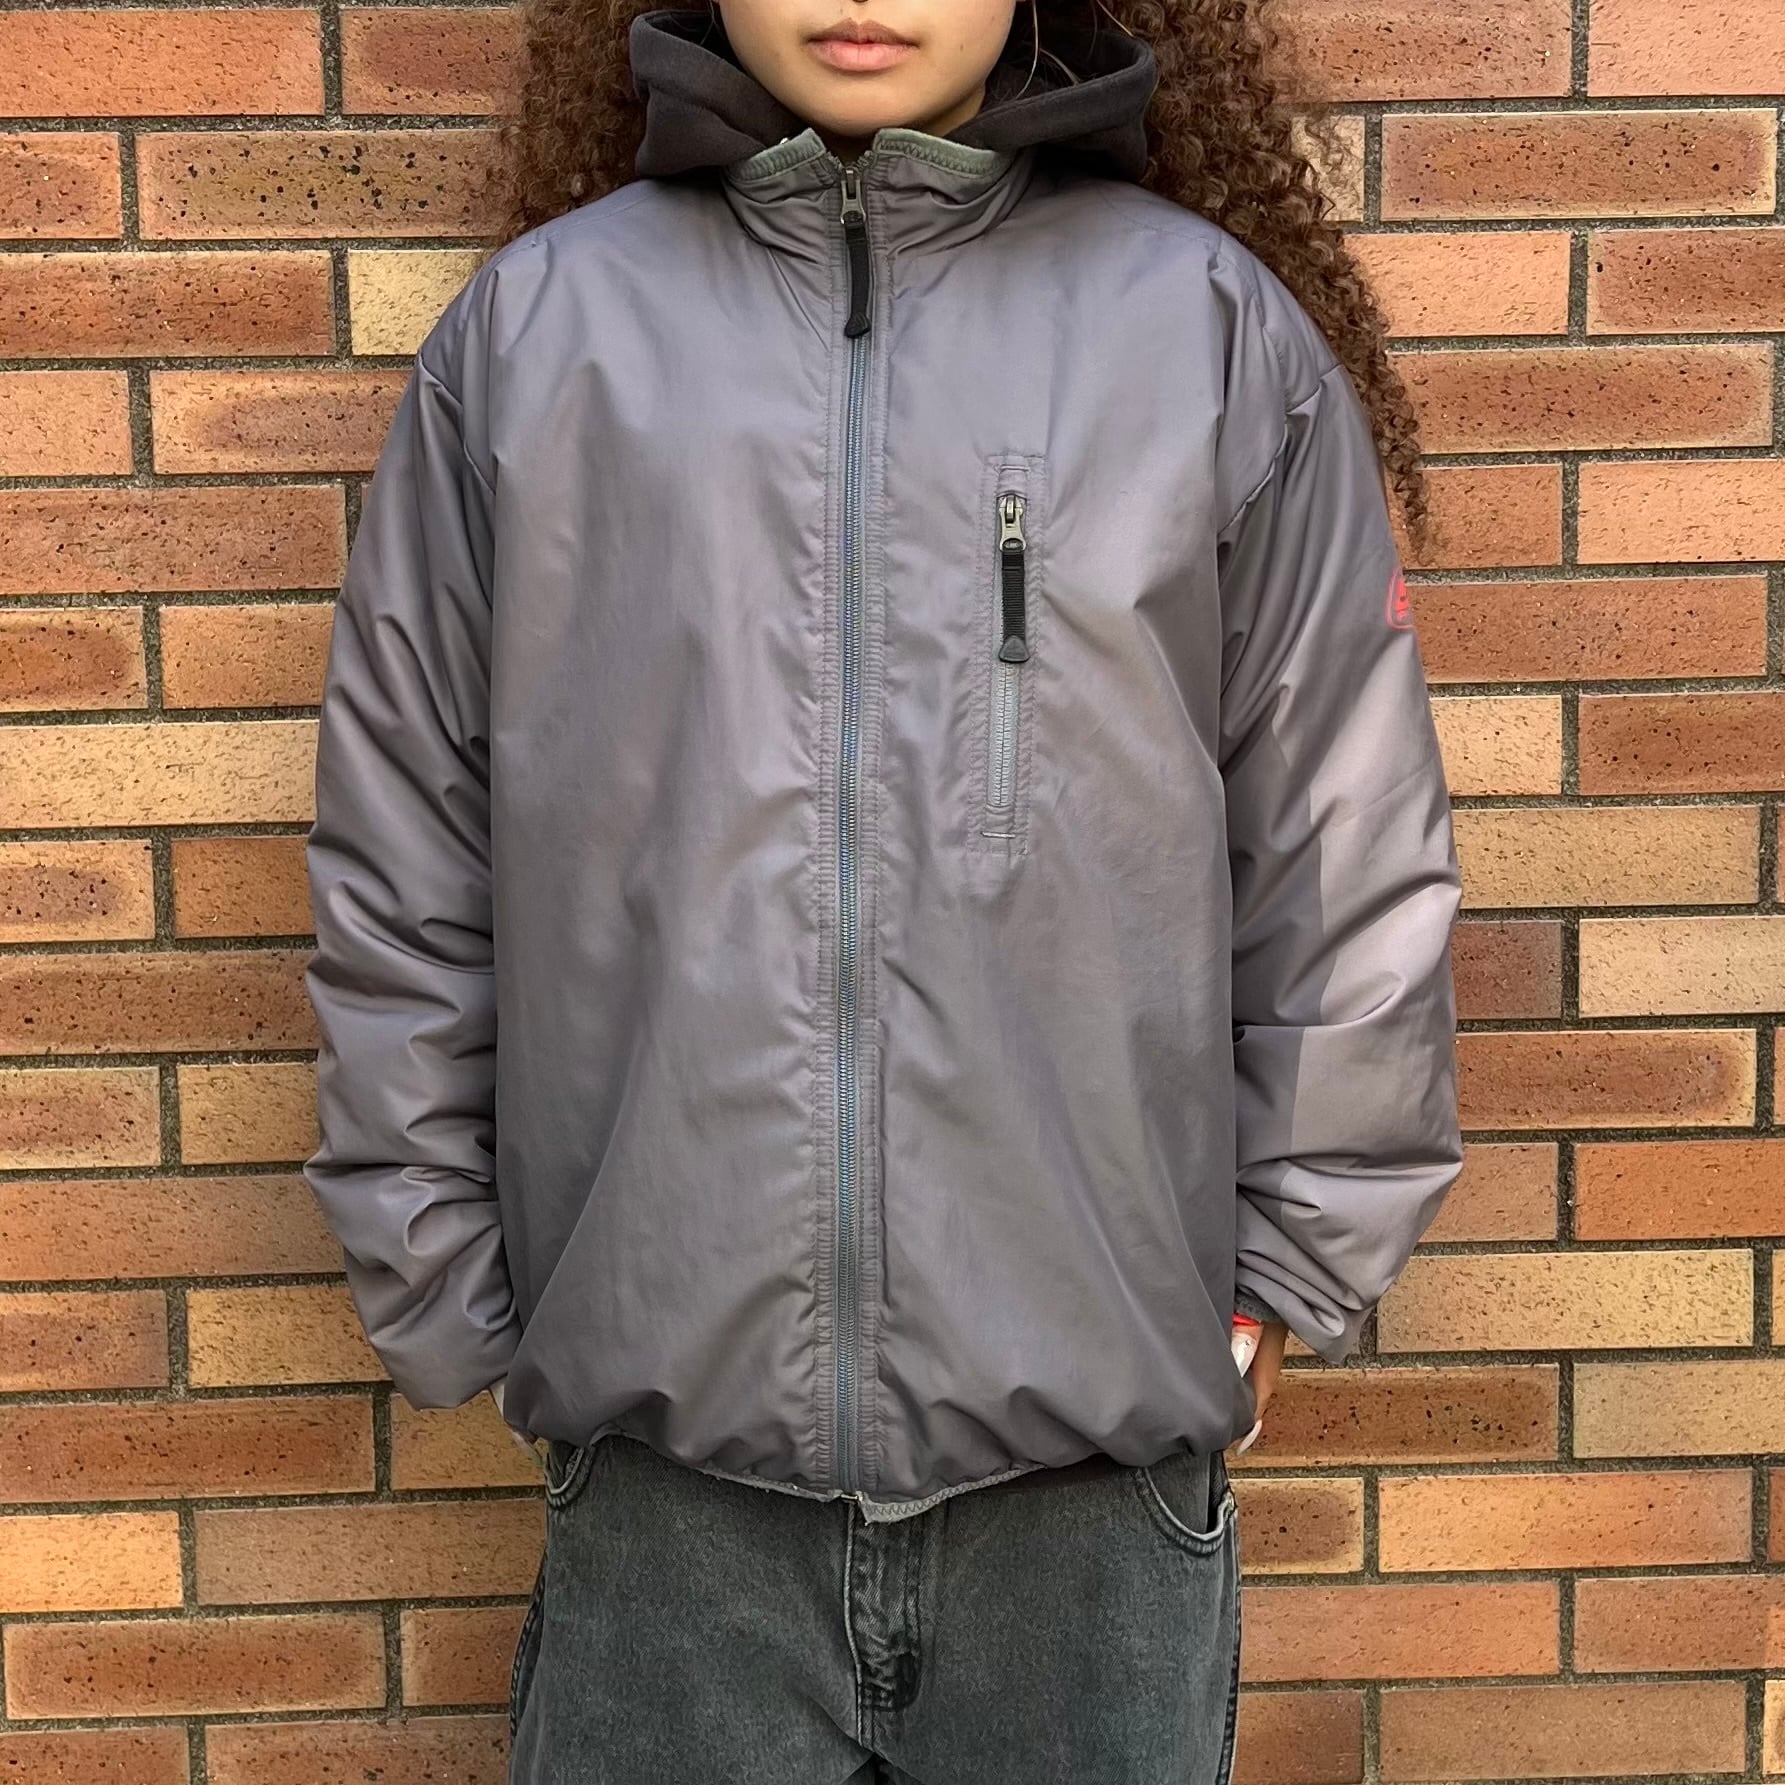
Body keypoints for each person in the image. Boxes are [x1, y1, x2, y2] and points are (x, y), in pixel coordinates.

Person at [300, 0, 1464, 1778]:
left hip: (1088, 1493)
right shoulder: (538, 339)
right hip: (669, 1492)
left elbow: (1340, 841)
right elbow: (407, 846)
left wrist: (1284, 1276)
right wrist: (443, 1273)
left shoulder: (1204, 332)